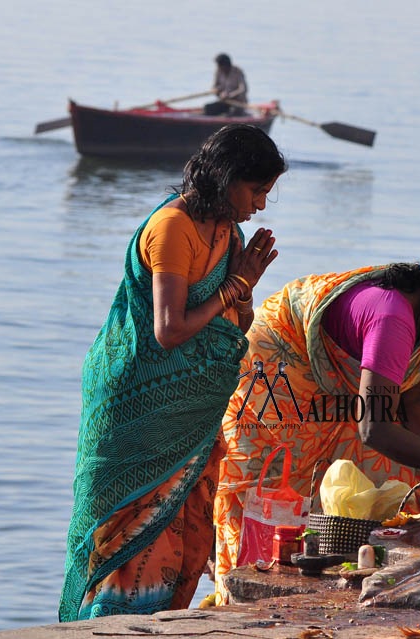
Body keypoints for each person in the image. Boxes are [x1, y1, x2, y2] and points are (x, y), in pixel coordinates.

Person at [59, 124, 286, 621]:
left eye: (267, 193)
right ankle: (107, 629)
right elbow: (169, 329)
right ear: (226, 179)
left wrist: (242, 290)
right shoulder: (173, 227)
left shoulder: (229, 233)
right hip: (136, 398)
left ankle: (159, 627)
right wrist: (237, 284)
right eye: (256, 190)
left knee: (188, 532)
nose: (261, 204)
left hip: (194, 408)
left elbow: (235, 322)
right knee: (131, 534)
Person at [212, 235, 420, 601]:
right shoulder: (392, 316)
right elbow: (375, 428)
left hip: (346, 384)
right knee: (272, 490)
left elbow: (416, 403)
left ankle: (339, 586)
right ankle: (242, 598)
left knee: (418, 482)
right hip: (283, 366)